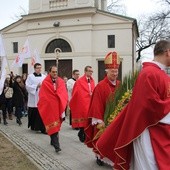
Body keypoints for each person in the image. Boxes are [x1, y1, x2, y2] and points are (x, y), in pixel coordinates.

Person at [96, 40, 170, 170]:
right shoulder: (149, 73)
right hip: (148, 131)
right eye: (112, 71)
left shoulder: (159, 73)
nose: (115, 73)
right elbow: (149, 106)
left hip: (158, 129)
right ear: (168, 53)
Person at [85, 52, 121, 166]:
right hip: (103, 119)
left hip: (117, 119)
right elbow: (96, 104)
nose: (115, 74)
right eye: (112, 72)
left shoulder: (120, 84)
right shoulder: (100, 86)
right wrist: (99, 120)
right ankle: (100, 157)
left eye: (116, 71)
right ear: (107, 72)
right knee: (102, 138)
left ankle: (113, 158)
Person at [37, 66, 68, 153]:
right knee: (52, 124)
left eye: (56, 72)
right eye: (53, 72)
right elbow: (43, 96)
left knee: (56, 124)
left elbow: (63, 93)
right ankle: (56, 146)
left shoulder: (60, 81)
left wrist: (59, 95)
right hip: (49, 108)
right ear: (49, 72)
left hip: (58, 106)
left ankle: (52, 140)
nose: (55, 73)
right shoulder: (45, 82)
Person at [69, 66, 95, 142]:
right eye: (89, 71)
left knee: (88, 119)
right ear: (85, 72)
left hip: (90, 102)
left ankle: (84, 134)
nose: (91, 73)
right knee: (84, 118)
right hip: (82, 102)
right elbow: (76, 92)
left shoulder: (92, 81)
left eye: (91, 71)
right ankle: (81, 133)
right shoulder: (79, 81)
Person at [26, 63, 46, 133]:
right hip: (33, 96)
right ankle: (33, 126)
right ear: (34, 68)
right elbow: (27, 86)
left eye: (40, 68)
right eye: (37, 68)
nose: (39, 69)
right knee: (34, 112)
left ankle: (40, 127)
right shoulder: (30, 76)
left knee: (41, 113)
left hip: (41, 96)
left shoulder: (44, 76)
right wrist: (36, 86)